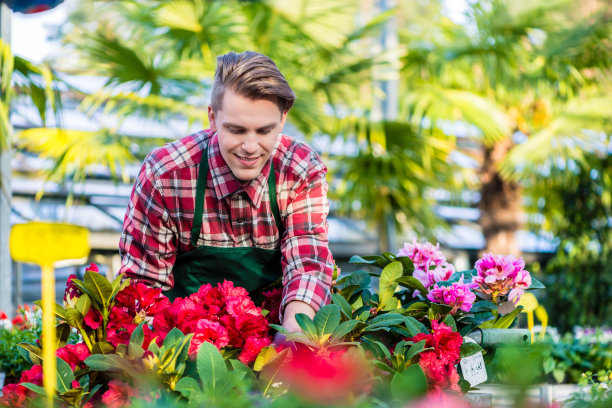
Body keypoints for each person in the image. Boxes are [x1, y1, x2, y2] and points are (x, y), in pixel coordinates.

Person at [118, 51, 334, 334]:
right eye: (237, 130)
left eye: (264, 131)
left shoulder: (299, 170)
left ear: (282, 120)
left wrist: (293, 335)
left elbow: (307, 266)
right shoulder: (165, 175)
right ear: (212, 118)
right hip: (182, 344)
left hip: (273, 339)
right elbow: (143, 285)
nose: (250, 146)